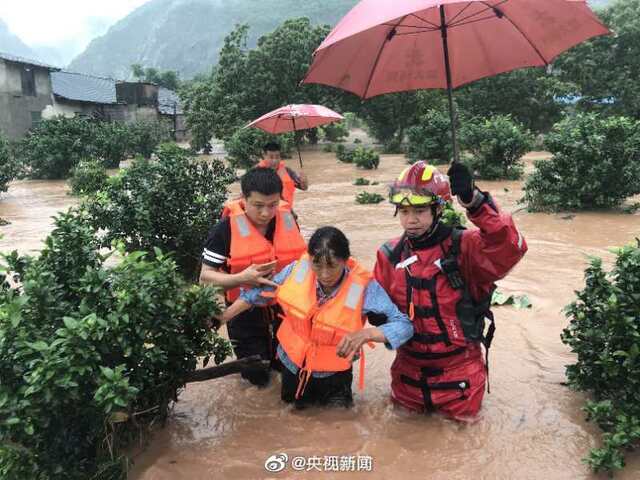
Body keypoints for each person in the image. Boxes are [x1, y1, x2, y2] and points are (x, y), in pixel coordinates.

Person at [373, 161, 527, 421]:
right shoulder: (389, 255)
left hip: (460, 378)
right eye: (404, 210)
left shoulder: (467, 248)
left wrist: (474, 201)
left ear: (439, 209)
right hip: (407, 377)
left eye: (420, 210)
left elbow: (510, 246)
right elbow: (366, 306)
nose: (411, 220)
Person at [217, 226, 414, 409]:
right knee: (292, 420)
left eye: (332, 266)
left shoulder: (365, 288)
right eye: (317, 266)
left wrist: (367, 334)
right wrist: (223, 317)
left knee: (340, 430)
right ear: (309, 259)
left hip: (335, 375)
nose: (324, 274)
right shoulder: (296, 270)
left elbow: (404, 325)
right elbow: (255, 295)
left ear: (345, 261)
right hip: (291, 366)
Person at [199, 167, 307, 387]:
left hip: (286, 311)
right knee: (257, 379)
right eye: (258, 205)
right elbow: (205, 277)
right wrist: (241, 277)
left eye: (273, 205)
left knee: (288, 370)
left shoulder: (288, 220)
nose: (266, 213)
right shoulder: (224, 230)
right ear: (244, 198)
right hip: (243, 313)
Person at [258, 142, 308, 207]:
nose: (274, 161)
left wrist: (304, 182)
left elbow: (304, 187)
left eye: (277, 157)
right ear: (264, 155)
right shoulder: (256, 173)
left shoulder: (288, 171)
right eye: (271, 157)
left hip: (285, 211)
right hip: (266, 213)